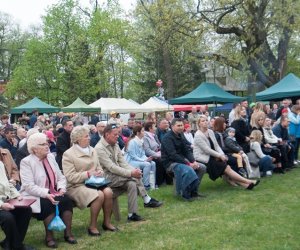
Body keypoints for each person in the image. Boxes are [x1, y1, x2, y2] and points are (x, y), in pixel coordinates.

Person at [95, 124, 163, 222]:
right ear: (107, 134)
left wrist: (133, 170)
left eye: (118, 134)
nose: (118, 136)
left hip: (117, 175)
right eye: (115, 134)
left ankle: (132, 214)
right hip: (106, 178)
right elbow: (111, 168)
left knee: (131, 183)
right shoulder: (99, 148)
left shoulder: (115, 144)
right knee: (133, 177)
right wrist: (131, 173)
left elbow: (123, 162)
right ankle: (146, 199)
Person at [20, 133, 76, 248]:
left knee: (66, 201)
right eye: (43, 144)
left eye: (47, 143)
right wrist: (46, 194)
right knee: (48, 203)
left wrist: (61, 188)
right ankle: (49, 237)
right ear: (34, 149)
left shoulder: (50, 157)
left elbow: (61, 177)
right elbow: (29, 186)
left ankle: (68, 233)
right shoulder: (26, 162)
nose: (47, 146)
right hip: (34, 195)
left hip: (54, 191)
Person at [62, 126, 117, 236]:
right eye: (86, 136)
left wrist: (100, 172)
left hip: (94, 182)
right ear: (78, 139)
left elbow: (99, 167)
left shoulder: (92, 150)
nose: (90, 138)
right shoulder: (68, 154)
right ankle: (92, 226)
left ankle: (107, 223)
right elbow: (70, 177)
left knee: (108, 192)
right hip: (76, 186)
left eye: (89, 135)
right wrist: (87, 174)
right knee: (99, 195)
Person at [193, 115, 259, 189]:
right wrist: (220, 156)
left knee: (227, 167)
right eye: (203, 121)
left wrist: (222, 155)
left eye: (206, 120)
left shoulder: (210, 131)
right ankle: (248, 181)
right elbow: (206, 150)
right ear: (199, 124)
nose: (205, 122)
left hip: (212, 156)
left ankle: (246, 185)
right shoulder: (198, 135)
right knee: (226, 168)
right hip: (203, 159)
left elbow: (216, 146)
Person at [161, 118, 206, 201]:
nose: (181, 127)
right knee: (188, 169)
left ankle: (193, 192)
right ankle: (185, 194)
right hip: (170, 163)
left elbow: (186, 150)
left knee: (202, 167)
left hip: (181, 160)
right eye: (178, 125)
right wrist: (188, 164)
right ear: (172, 126)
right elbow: (173, 155)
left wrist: (193, 161)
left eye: (181, 125)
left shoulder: (181, 135)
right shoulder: (167, 138)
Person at [0, 162, 34, 250]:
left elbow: (7, 184)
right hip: (2, 204)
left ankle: (8, 243)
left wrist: (17, 195)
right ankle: (17, 246)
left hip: (6, 201)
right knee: (8, 218)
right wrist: (2, 205)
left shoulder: (0, 164)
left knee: (26, 210)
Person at [125, 125, 156, 190]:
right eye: (142, 131)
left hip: (138, 160)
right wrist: (144, 161)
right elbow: (133, 156)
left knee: (153, 163)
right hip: (130, 161)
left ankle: (152, 184)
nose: (144, 132)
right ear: (138, 133)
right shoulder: (132, 142)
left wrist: (147, 159)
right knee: (147, 164)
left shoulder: (141, 141)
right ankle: (145, 185)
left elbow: (142, 154)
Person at [143, 121, 170, 186]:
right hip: (150, 156)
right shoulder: (145, 137)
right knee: (160, 161)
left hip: (158, 153)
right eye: (154, 126)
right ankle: (159, 182)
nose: (156, 128)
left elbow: (159, 145)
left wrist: (164, 151)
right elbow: (147, 150)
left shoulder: (154, 136)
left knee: (168, 158)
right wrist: (157, 155)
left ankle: (168, 180)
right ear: (150, 128)